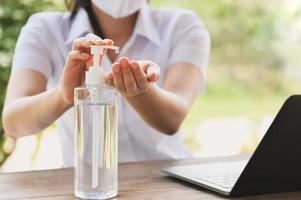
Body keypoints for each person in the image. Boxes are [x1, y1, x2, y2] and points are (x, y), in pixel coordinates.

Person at [2, 0, 210, 166]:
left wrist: (140, 90)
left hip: (166, 180)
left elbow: (172, 120)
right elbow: (13, 123)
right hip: (88, 183)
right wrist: (63, 95)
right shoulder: (45, 29)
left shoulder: (182, 26)